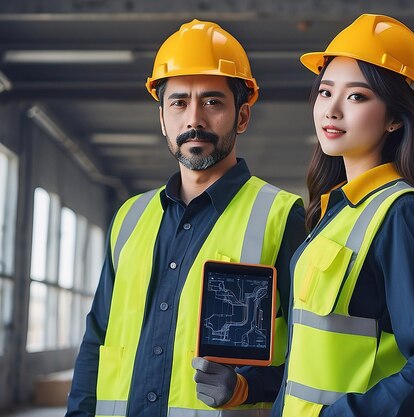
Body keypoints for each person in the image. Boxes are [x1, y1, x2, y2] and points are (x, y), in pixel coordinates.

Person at [66, 19, 305, 417]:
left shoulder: (281, 216)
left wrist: (248, 387)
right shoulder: (130, 218)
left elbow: (308, 352)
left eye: (213, 102)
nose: (194, 119)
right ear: (162, 119)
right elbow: (97, 339)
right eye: (179, 102)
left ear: (242, 117)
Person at [271, 14, 414, 417]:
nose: (332, 110)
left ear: (395, 118)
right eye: (325, 92)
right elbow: (313, 357)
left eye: (357, 97)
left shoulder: (401, 214)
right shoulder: (333, 213)